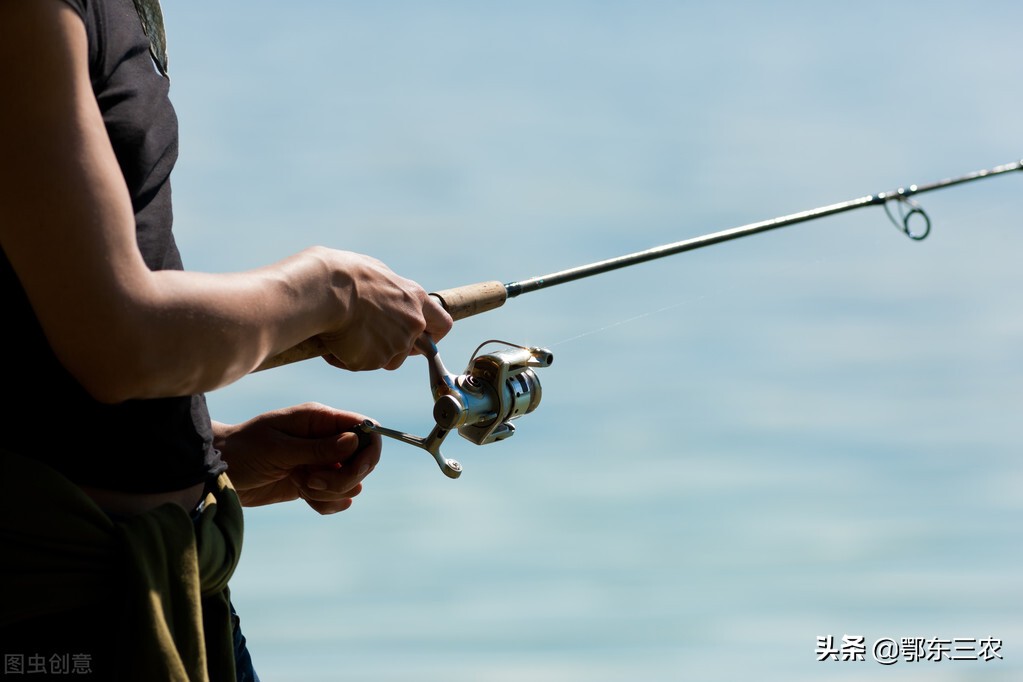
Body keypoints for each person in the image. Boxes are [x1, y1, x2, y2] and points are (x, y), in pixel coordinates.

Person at [0, 0, 453, 680]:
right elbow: (119, 342)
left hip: (162, 593)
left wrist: (213, 455)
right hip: (57, 628)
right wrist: (331, 291)